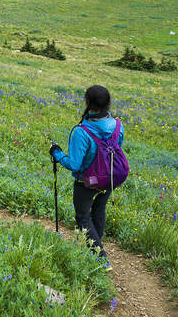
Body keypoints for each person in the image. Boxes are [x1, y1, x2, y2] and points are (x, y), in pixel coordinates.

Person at [49, 85, 123, 271]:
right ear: (108, 103)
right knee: (99, 210)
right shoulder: (117, 126)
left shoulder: (82, 132)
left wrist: (57, 154)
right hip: (111, 177)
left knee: (83, 216)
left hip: (89, 181)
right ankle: (94, 244)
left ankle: (100, 257)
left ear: (88, 103)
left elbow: (74, 164)